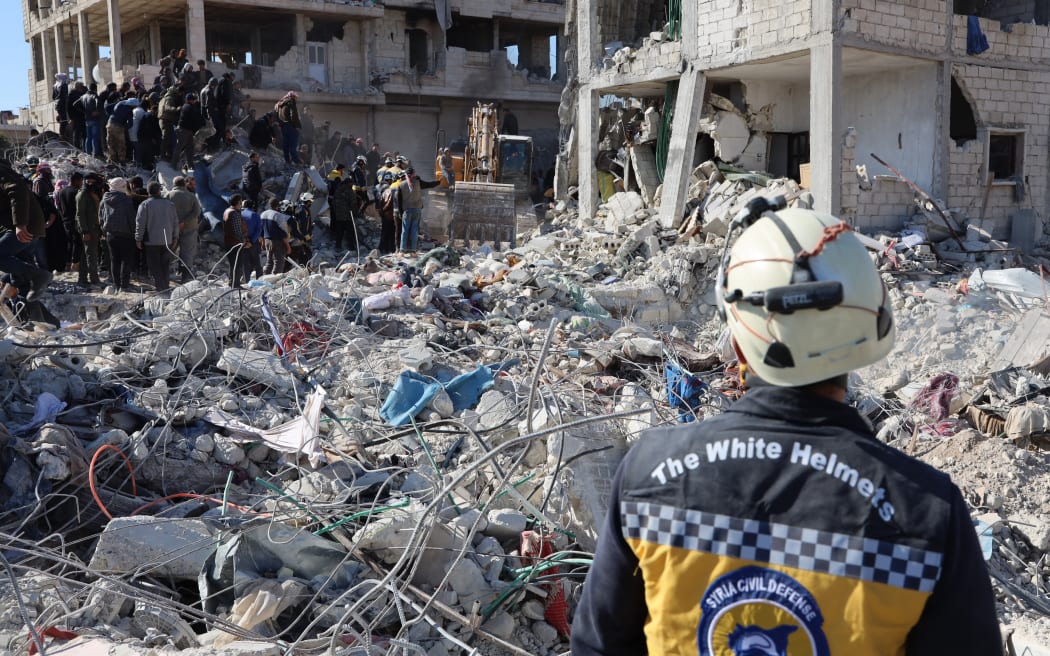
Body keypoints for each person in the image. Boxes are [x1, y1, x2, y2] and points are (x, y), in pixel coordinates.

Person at [569, 204, 1002, 655]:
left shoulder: (647, 475)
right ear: (869, 325)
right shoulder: (926, 514)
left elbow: (597, 646)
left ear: (738, 338)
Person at [0, 159, 50, 301]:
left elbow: (17, 191)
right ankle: (38, 319)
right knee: (22, 281)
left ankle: (39, 275)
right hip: (18, 226)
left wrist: (20, 224)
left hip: (24, 226)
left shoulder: (1, 171)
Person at [134, 182, 178, 292]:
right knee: (165, 264)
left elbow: (140, 223)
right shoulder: (170, 204)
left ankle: (160, 287)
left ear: (148, 192)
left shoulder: (145, 205)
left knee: (154, 265)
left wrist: (138, 238)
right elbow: (175, 222)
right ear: (159, 191)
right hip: (167, 239)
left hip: (151, 241)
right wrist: (175, 237)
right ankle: (165, 286)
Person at [98, 177, 136, 291]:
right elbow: (131, 218)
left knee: (115, 259)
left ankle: (116, 284)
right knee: (126, 260)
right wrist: (135, 232)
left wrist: (104, 231)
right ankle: (124, 285)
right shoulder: (126, 200)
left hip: (111, 234)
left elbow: (100, 217)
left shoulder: (104, 199)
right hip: (126, 235)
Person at [392, 167, 439, 253]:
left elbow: (399, 202)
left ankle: (402, 249)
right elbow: (429, 184)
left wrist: (401, 213)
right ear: (414, 174)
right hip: (417, 210)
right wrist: (438, 182)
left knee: (405, 230)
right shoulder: (418, 183)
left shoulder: (401, 185)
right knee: (414, 230)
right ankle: (413, 249)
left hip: (407, 211)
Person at [167, 175, 202, 282]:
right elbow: (197, 212)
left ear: (174, 184)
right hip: (189, 228)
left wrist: (176, 222)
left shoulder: (168, 195)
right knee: (187, 252)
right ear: (184, 184)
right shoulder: (191, 196)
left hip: (172, 228)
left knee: (170, 251)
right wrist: (184, 221)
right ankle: (185, 277)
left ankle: (166, 275)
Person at [76, 173, 103, 287]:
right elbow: (80, 214)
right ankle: (94, 279)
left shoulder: (93, 193)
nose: (90, 184)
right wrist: (85, 231)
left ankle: (82, 278)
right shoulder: (83, 194)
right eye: (88, 182)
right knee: (91, 254)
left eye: (93, 182)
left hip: (94, 227)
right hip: (88, 228)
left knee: (86, 254)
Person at [56, 171, 83, 272]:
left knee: (69, 242)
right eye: (81, 181)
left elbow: (59, 207)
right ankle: (75, 263)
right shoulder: (77, 192)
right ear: (76, 180)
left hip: (65, 220)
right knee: (77, 242)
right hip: (75, 220)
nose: (82, 183)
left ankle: (67, 262)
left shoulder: (62, 191)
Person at [222, 193, 249, 288]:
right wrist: (244, 242)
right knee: (237, 264)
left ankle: (232, 281)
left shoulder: (227, 211)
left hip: (228, 241)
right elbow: (237, 230)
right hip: (235, 243)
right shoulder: (234, 213)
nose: (241, 203)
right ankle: (235, 284)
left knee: (233, 263)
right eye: (241, 201)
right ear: (238, 202)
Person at [173, 92, 205, 170]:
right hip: (184, 130)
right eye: (194, 100)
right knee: (179, 147)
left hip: (188, 130)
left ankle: (190, 164)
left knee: (190, 148)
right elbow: (194, 118)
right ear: (190, 100)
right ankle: (173, 164)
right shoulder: (188, 107)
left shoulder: (189, 106)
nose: (195, 101)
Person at [328, 166, 357, 252]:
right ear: (348, 183)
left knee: (339, 231)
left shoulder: (338, 189)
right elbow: (353, 203)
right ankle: (351, 247)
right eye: (351, 183)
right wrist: (355, 213)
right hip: (348, 215)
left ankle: (338, 246)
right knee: (350, 231)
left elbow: (333, 202)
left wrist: (336, 211)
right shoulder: (349, 191)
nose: (352, 185)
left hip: (339, 215)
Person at [261, 198, 291, 275]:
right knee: (279, 263)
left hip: (267, 240)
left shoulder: (263, 214)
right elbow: (283, 232)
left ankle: (265, 278)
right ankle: (274, 280)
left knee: (269, 262)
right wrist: (288, 246)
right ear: (278, 206)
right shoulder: (278, 215)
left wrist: (263, 242)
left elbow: (261, 230)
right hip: (277, 242)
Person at [74, 83, 104, 157]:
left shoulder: (83, 96)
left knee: (88, 137)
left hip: (87, 119)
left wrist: (84, 111)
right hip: (94, 119)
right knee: (95, 137)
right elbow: (98, 101)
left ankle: (88, 153)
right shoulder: (94, 95)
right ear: (95, 88)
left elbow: (75, 104)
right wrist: (96, 110)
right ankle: (96, 153)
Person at [275, 91, 302, 165]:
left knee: (286, 145)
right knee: (293, 144)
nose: (296, 99)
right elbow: (294, 115)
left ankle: (287, 160)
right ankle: (296, 160)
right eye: (295, 97)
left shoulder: (279, 104)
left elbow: (276, 116)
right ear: (292, 97)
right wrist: (297, 126)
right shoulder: (291, 102)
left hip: (283, 127)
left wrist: (280, 125)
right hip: (291, 126)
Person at [240, 199, 264, 281]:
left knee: (245, 263)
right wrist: (252, 241)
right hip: (253, 242)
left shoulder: (239, 214)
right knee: (257, 263)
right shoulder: (255, 215)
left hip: (242, 243)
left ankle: (246, 281)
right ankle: (260, 281)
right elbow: (258, 230)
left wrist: (243, 241)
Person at [287, 192, 314, 266]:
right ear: (308, 201)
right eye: (311, 201)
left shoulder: (299, 207)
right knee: (306, 254)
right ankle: (306, 269)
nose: (311, 203)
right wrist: (307, 237)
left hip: (298, 236)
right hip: (301, 237)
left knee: (302, 254)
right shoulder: (303, 210)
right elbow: (302, 225)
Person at [376, 171, 398, 254]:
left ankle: (382, 248)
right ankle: (390, 249)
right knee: (391, 233)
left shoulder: (381, 190)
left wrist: (381, 212)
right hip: (390, 215)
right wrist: (384, 211)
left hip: (385, 215)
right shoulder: (390, 191)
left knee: (384, 232)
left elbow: (380, 203)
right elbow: (389, 203)